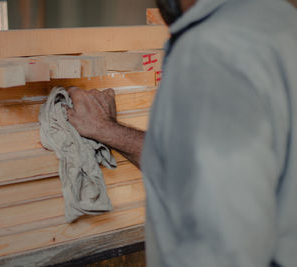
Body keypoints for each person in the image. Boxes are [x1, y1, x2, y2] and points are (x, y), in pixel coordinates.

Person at [67, 0, 297, 266]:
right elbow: (202, 163)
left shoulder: (211, 50)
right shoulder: (283, 23)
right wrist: (108, 130)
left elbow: (220, 239)